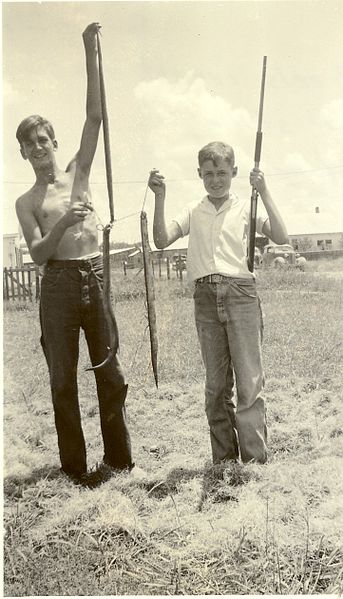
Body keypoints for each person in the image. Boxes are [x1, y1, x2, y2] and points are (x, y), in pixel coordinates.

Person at [15, 23, 135, 487]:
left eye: (44, 139)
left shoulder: (78, 172)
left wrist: (91, 51)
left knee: (109, 369)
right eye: (30, 144)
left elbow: (95, 117)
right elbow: (39, 253)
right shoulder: (26, 203)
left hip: (95, 275)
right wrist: (63, 222)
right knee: (63, 379)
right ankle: (73, 469)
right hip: (58, 286)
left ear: (54, 143)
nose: (39, 147)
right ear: (23, 154)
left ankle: (120, 462)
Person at [148, 141, 288, 465]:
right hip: (205, 298)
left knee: (250, 382)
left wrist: (263, 190)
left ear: (234, 173)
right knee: (216, 386)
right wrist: (159, 197)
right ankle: (224, 463)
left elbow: (281, 235)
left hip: (241, 295)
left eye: (222, 173)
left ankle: (254, 464)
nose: (216, 180)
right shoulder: (192, 211)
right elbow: (160, 239)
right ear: (199, 174)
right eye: (208, 174)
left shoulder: (246, 207)